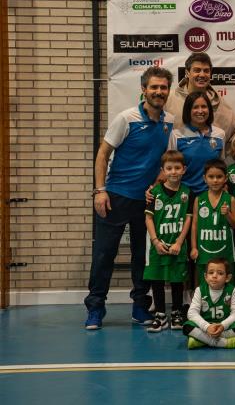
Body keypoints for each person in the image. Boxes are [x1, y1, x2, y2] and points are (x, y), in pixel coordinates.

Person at [85, 66, 174, 330]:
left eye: (163, 88)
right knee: (104, 255)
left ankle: (139, 307)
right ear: (144, 90)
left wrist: (157, 183)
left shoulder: (168, 121)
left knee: (141, 258)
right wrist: (100, 191)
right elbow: (102, 154)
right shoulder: (127, 118)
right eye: (154, 87)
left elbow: (165, 163)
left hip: (145, 202)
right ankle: (95, 309)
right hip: (116, 197)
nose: (159, 92)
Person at [144, 150, 194, 333]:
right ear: (163, 170)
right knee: (156, 279)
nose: (173, 171)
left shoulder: (188, 193)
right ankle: (159, 314)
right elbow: (148, 219)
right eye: (169, 168)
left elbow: (188, 220)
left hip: (177, 245)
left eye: (177, 168)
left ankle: (176, 312)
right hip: (158, 244)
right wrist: (156, 242)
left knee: (176, 281)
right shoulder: (154, 193)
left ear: (184, 169)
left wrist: (180, 242)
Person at [165, 52, 235, 154]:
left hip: (210, 165)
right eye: (197, 70)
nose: (202, 75)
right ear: (187, 73)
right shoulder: (169, 99)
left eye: (206, 71)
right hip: (177, 166)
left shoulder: (218, 102)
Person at [190, 159, 235, 284]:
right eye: (211, 177)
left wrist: (227, 214)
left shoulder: (230, 199)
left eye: (219, 176)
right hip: (203, 251)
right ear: (204, 178)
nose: (215, 180)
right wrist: (194, 247)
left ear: (225, 178)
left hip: (224, 252)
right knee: (202, 286)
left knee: (226, 286)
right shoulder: (199, 199)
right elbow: (194, 225)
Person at [183, 257, 235, 349]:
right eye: (211, 272)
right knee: (187, 326)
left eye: (220, 273)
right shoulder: (200, 290)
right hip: (205, 325)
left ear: (227, 278)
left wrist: (223, 325)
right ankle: (224, 343)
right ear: (205, 277)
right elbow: (192, 313)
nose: (214, 276)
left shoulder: (232, 290)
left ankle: (201, 340)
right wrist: (206, 327)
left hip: (224, 326)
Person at [168, 91, 225, 194]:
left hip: (212, 195)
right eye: (195, 107)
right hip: (184, 196)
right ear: (188, 110)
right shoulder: (176, 135)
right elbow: (170, 168)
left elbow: (221, 166)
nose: (200, 111)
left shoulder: (220, 134)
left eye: (204, 106)